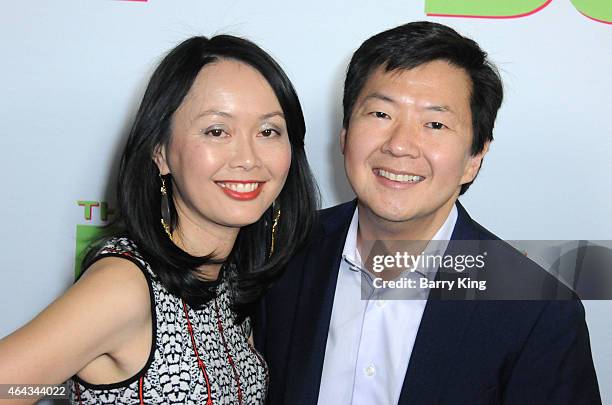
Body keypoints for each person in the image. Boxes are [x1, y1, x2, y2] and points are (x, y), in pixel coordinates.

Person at [253, 21, 601, 404]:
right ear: (345, 133)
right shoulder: (279, 251)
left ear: (474, 157)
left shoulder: (539, 311)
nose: (401, 145)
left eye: (435, 124)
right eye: (381, 115)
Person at [0, 35, 318, 404]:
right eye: (217, 131)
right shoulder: (125, 286)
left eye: (268, 132)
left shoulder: (228, 280)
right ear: (160, 153)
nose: (248, 158)